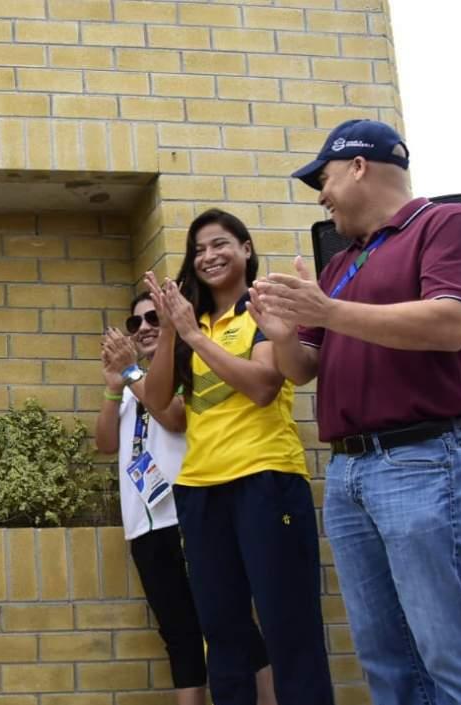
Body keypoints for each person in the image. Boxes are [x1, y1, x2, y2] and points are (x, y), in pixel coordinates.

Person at [251, 118, 461, 705]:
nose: (321, 195)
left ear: (358, 165)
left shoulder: (445, 224)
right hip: (348, 474)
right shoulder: (342, 263)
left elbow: (451, 323)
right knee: (384, 657)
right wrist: (284, 332)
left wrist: (328, 312)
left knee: (449, 647)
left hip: (422, 459)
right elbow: (300, 369)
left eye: (326, 177)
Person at [141, 209, 335, 705]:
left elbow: (264, 387)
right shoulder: (190, 323)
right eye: (198, 250)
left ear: (246, 248)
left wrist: (194, 337)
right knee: (223, 636)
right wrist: (169, 328)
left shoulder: (264, 309)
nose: (208, 256)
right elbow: (159, 399)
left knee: (289, 630)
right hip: (201, 491)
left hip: (266, 481)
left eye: (220, 244)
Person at [95, 293, 277, 705]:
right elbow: (105, 443)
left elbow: (174, 418)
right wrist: (114, 387)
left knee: (229, 622)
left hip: (189, 515)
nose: (143, 327)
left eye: (152, 317)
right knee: (177, 633)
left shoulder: (183, 367)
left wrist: (130, 370)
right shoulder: (130, 385)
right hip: (144, 525)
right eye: (134, 321)